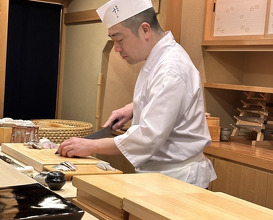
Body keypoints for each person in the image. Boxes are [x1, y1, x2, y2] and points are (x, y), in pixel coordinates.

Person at [58, 0, 216, 189]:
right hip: (159, 176)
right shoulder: (158, 57)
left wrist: (90, 145)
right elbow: (164, 98)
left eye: (119, 39)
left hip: (177, 179)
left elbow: (147, 137)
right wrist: (133, 107)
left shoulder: (171, 67)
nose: (116, 48)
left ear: (145, 30)